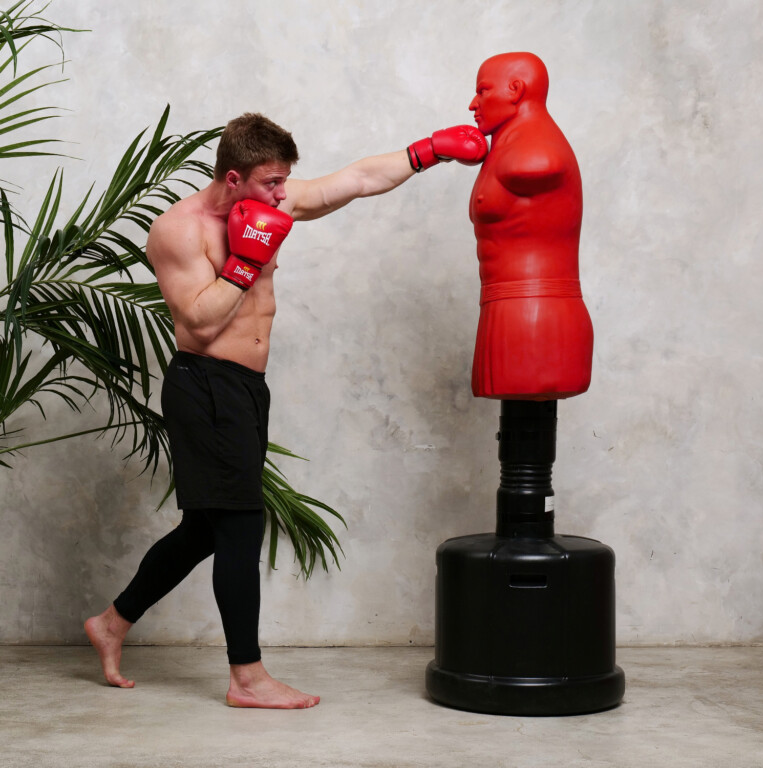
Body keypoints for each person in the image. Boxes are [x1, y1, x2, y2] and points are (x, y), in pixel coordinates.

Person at [84, 113, 487, 709]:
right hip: (205, 386)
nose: (282, 195)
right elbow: (198, 321)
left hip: (247, 388)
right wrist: (245, 262)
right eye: (272, 183)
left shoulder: (269, 201)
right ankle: (246, 678)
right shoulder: (178, 230)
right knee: (241, 526)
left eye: (284, 182)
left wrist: (428, 151)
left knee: (206, 529)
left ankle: (112, 623)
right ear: (234, 177)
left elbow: (354, 180)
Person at [468, 52, 593, 400]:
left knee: (526, 423)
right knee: (513, 423)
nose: (473, 104)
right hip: (502, 309)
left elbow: (541, 164)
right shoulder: (506, 146)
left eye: (482, 91)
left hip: (538, 312)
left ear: (516, 90)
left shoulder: (535, 145)